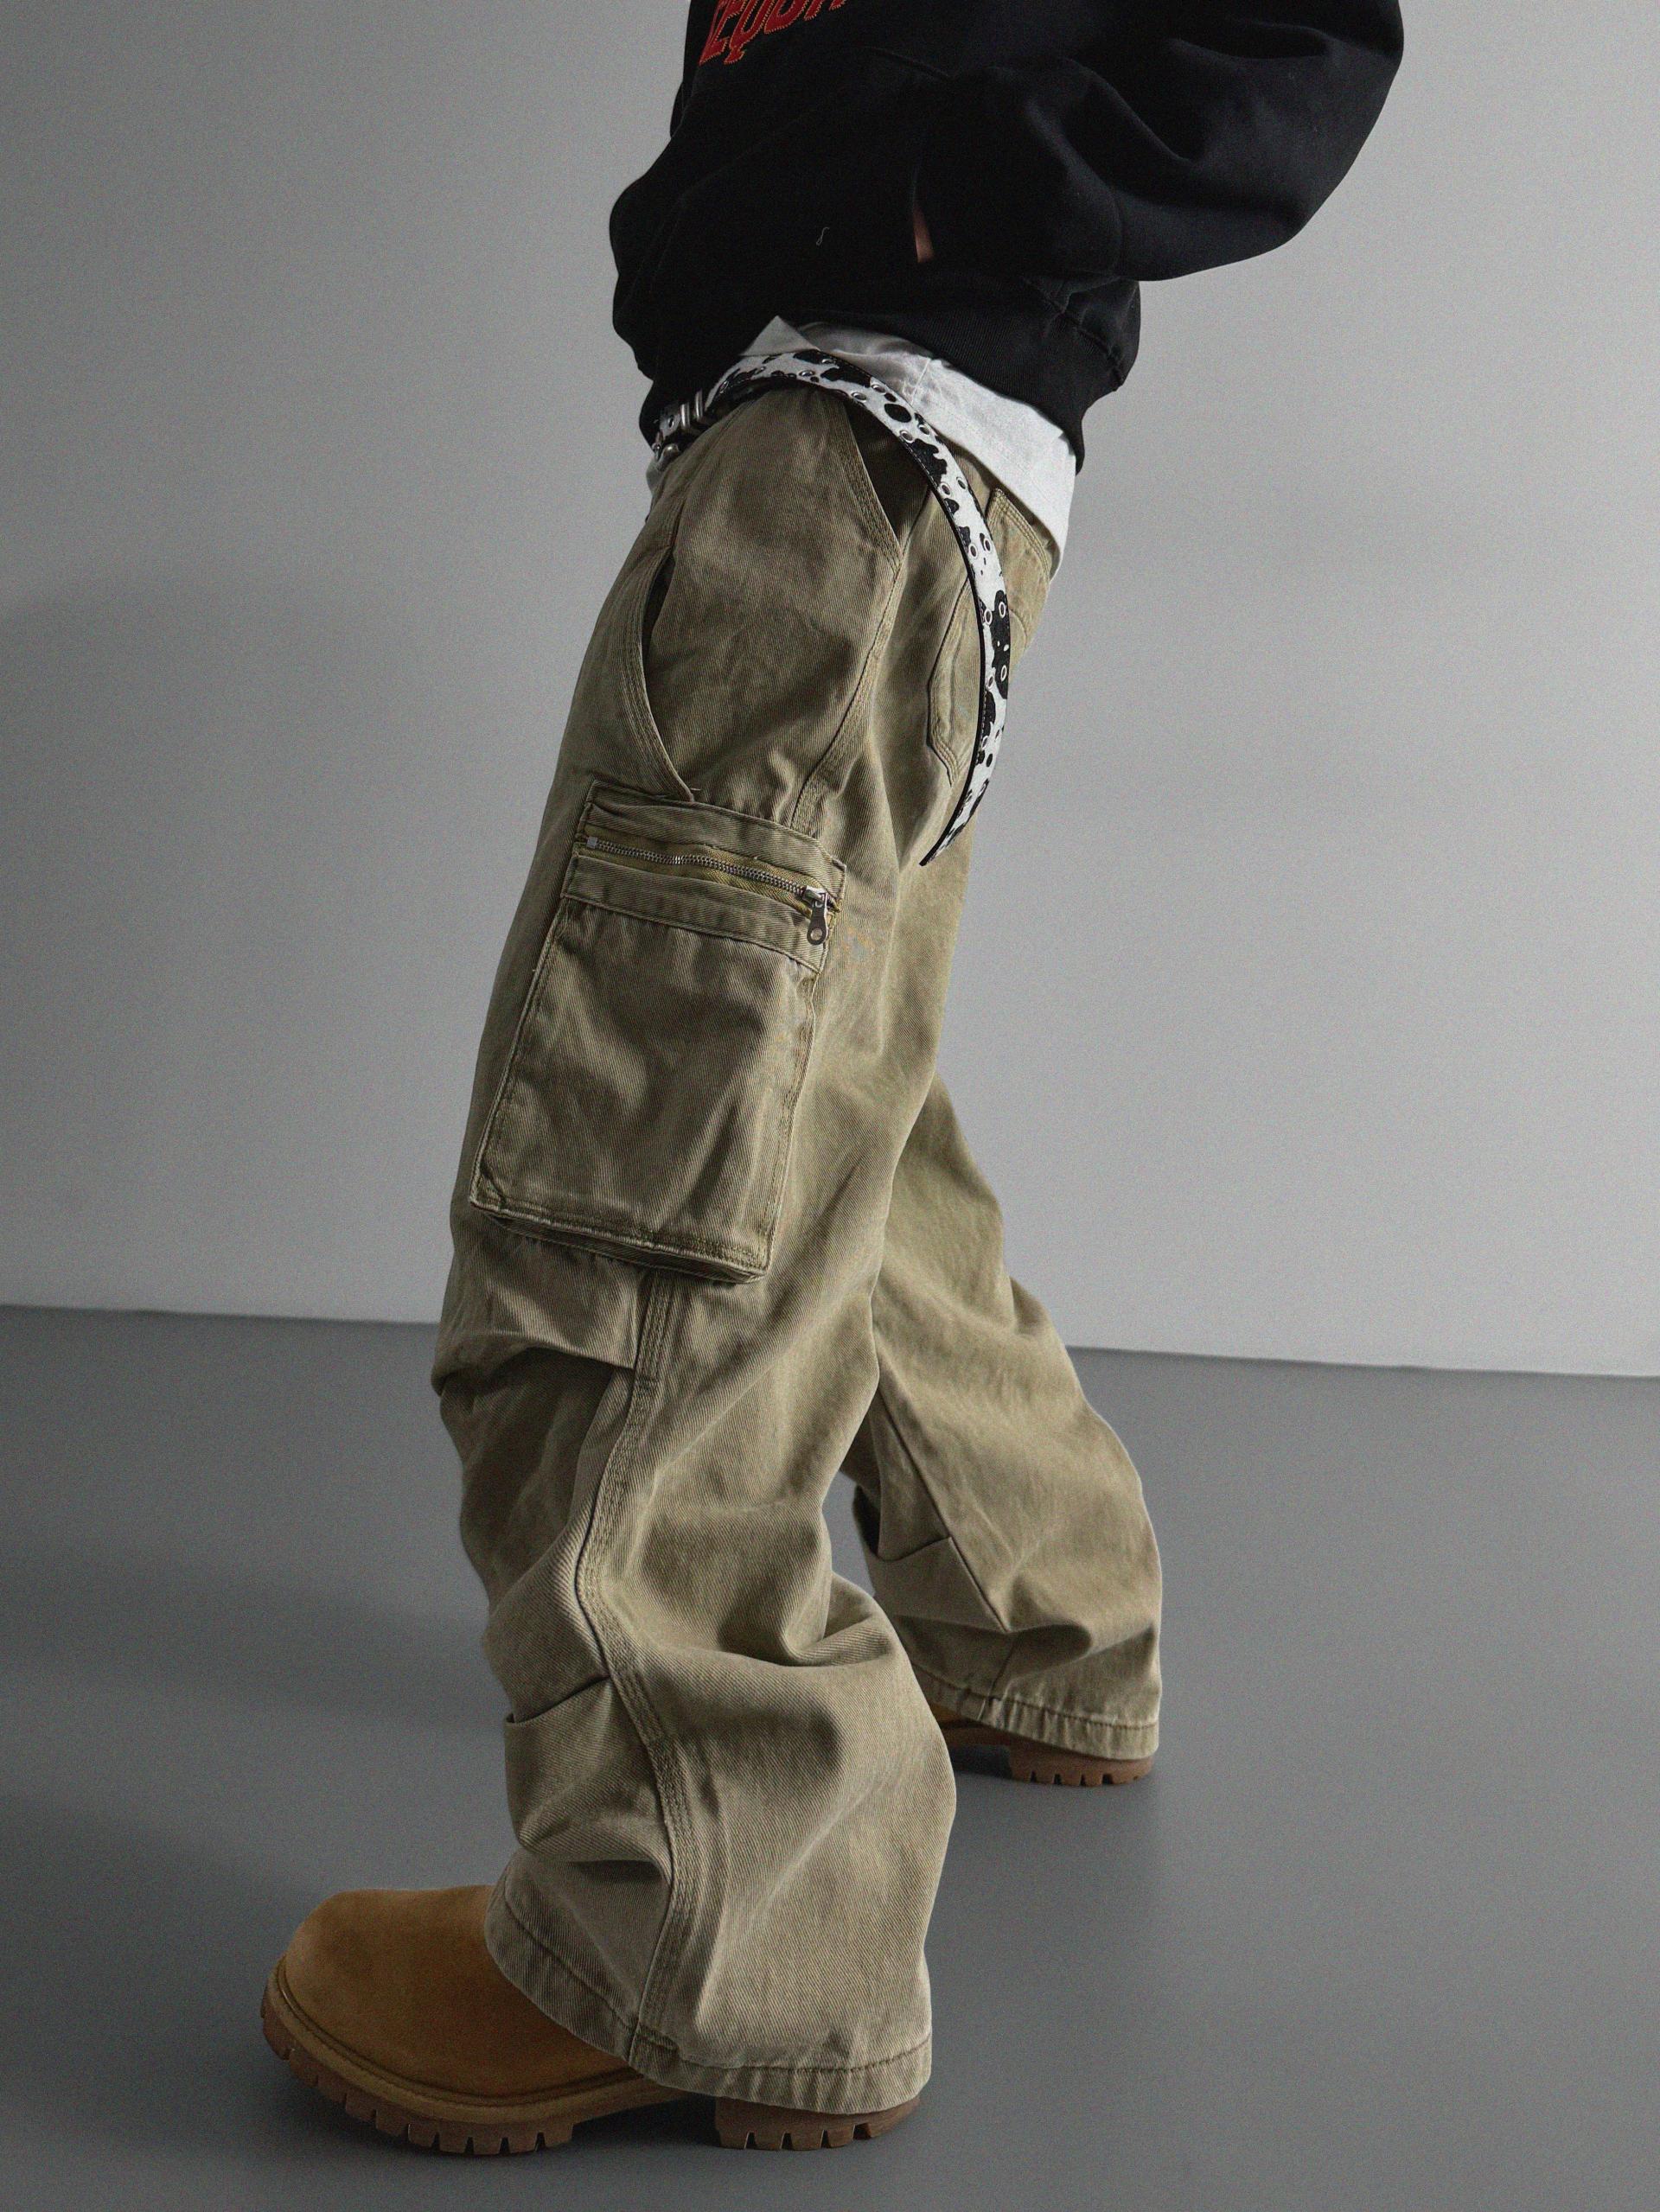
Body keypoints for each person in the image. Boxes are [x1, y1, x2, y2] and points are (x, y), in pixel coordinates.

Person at [263, 0, 1402, 2157]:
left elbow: (1303, 39)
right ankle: (1039, 1607)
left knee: (629, 1183)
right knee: (814, 1107)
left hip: (854, 453)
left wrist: (930, 204)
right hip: (855, 448)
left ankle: (706, 1930)